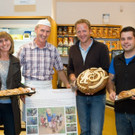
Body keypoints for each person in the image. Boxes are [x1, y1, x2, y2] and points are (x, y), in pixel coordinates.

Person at [17, 19, 70, 121]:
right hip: (30, 89)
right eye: (42, 30)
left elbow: (60, 70)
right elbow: (15, 71)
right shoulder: (24, 48)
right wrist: (20, 91)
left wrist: (67, 84)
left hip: (47, 89)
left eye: (47, 31)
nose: (44, 34)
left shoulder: (53, 49)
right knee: (31, 121)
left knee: (46, 121)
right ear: (36, 30)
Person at [67, 19, 110, 135]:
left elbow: (106, 71)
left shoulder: (102, 48)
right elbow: (70, 68)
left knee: (96, 131)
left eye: (84, 31)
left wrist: (93, 88)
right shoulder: (73, 49)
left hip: (98, 96)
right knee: (84, 130)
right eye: (79, 31)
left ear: (90, 31)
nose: (82, 34)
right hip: (80, 96)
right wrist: (72, 78)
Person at [107, 26, 135, 135]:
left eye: (129, 38)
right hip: (120, 112)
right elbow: (110, 80)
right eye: (123, 39)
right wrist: (111, 91)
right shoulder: (115, 60)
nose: (126, 42)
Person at [0, 31, 26, 135]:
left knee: (11, 132)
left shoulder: (15, 61)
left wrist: (26, 89)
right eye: (0, 41)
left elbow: (17, 83)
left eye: (6, 40)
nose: (4, 43)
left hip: (10, 104)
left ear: (11, 42)